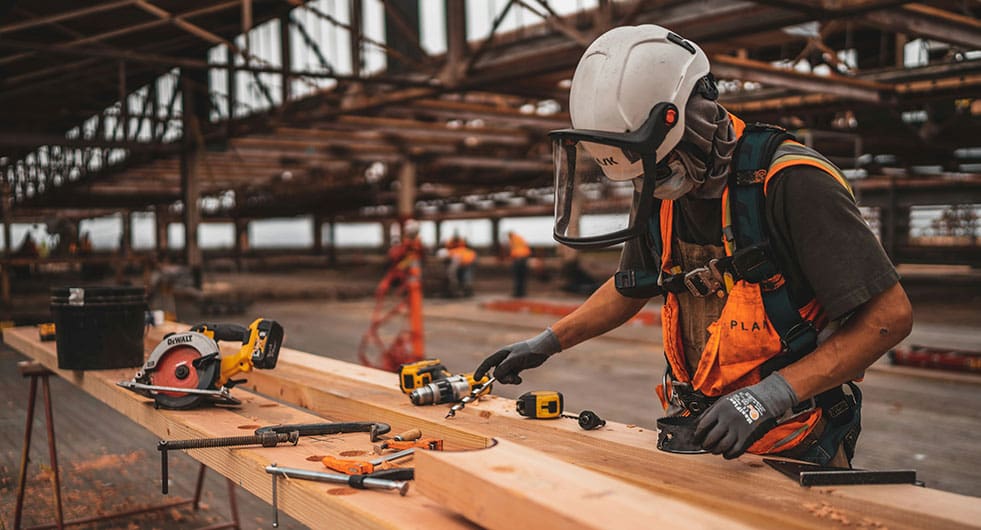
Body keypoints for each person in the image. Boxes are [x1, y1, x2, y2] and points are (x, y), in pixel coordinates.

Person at [474, 24, 912, 467]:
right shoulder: (657, 187)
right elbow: (632, 286)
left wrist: (771, 395)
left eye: (660, 169)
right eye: (644, 174)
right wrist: (547, 342)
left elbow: (889, 317)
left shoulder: (791, 182)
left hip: (794, 438)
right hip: (697, 431)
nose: (652, 184)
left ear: (693, 119)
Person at [507, 231, 531, 297]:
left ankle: (518, 293)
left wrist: (513, 258)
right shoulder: (519, 238)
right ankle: (521, 293)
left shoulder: (513, 239)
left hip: (519, 259)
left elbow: (515, 249)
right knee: (522, 277)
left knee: (518, 277)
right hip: (523, 258)